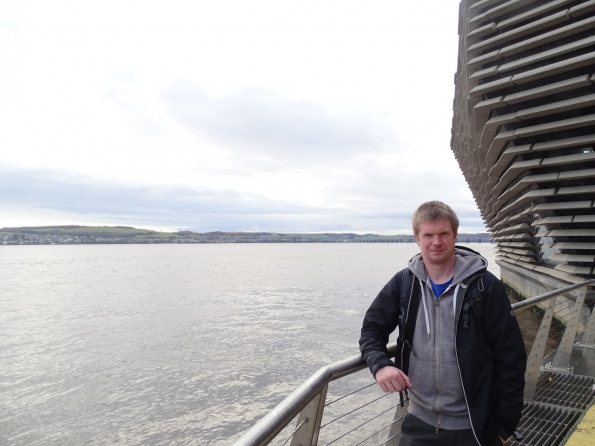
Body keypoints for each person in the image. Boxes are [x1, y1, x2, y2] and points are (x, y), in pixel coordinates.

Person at [359, 201, 526, 446]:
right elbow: (371, 329)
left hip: (474, 425)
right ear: (417, 238)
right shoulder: (404, 283)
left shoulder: (485, 286)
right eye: (428, 235)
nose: (436, 242)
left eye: (443, 233)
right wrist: (380, 364)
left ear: (455, 235)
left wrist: (503, 427)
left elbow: (511, 357)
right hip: (418, 422)